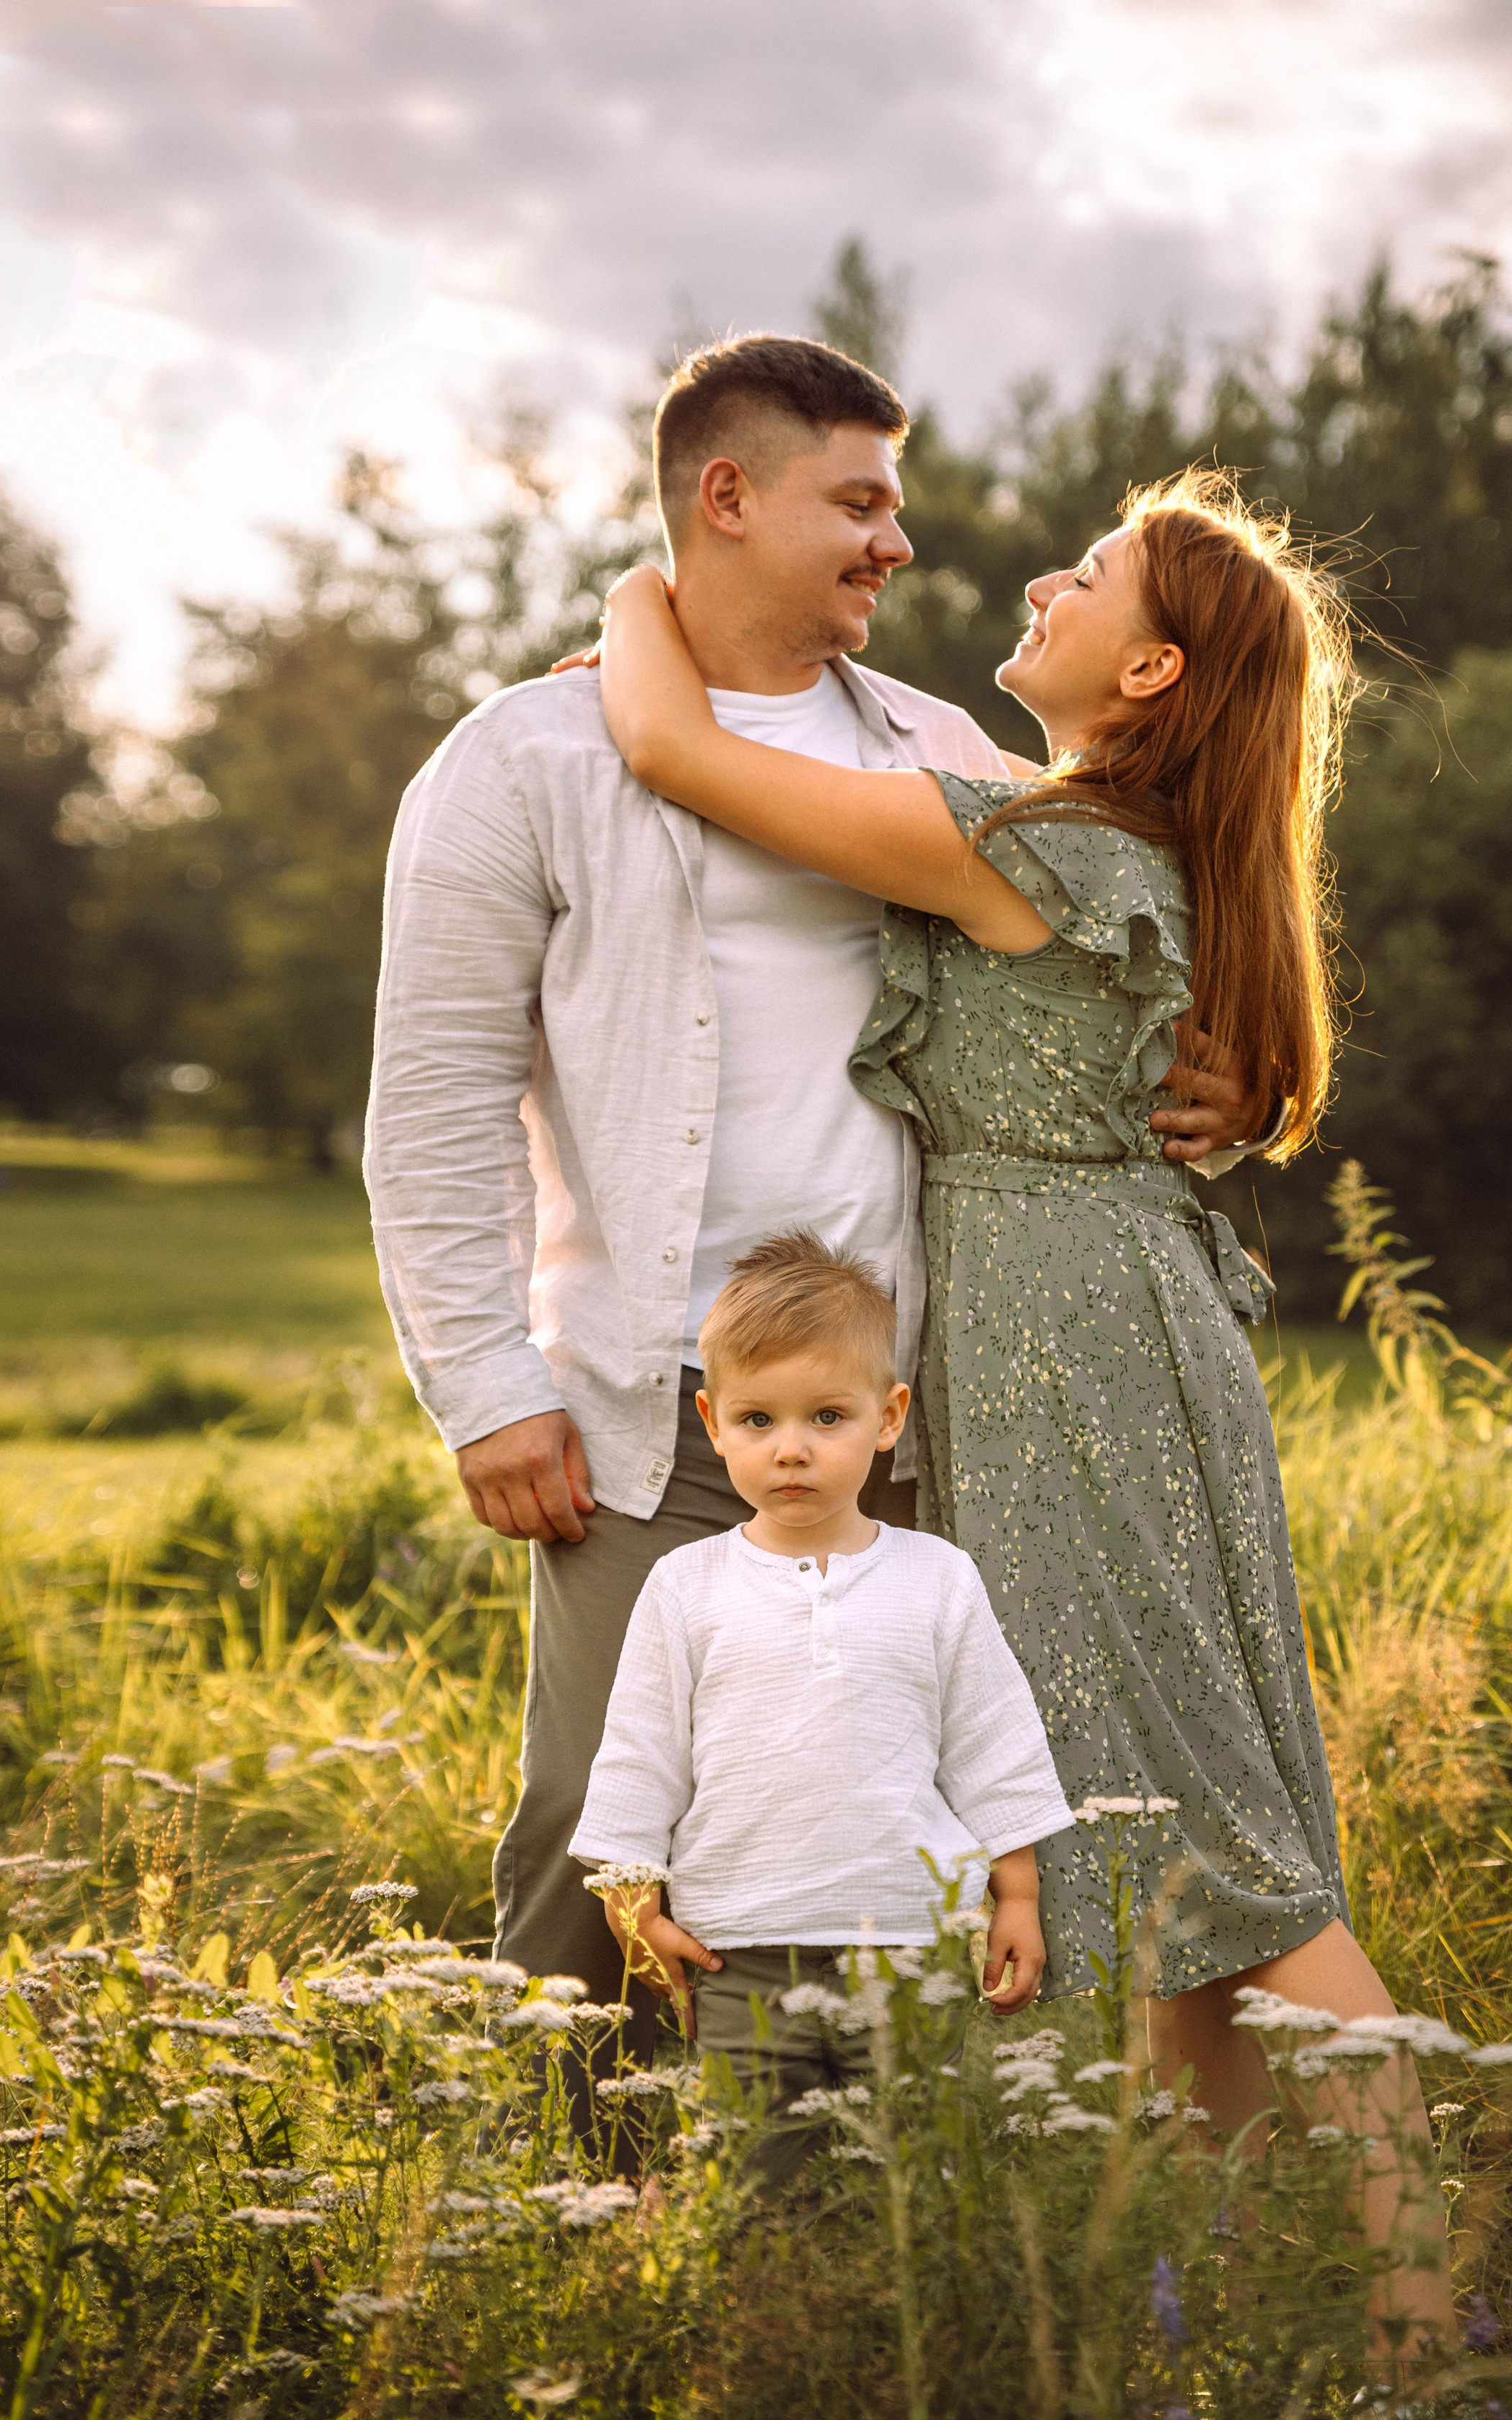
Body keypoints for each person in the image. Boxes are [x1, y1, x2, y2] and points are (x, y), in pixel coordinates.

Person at [593, 466, 1455, 2347]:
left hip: (1077, 1352)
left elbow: (670, 747)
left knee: (1217, 1841)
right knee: (1157, 1837)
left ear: (1148, 674)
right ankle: (1247, 2310)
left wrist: (648, 587)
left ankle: (1423, 2319)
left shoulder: (1022, 847)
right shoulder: (1108, 845)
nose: (1045, 580)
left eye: (1093, 574)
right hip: (1109, 1327)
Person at [363, 334, 1264, 2060]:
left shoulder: (939, 745)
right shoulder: (526, 756)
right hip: (652, 1409)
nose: (894, 543)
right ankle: (578, 2176)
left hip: (927, 1406)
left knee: (904, 1826)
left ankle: (871, 2180)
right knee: (600, 1827)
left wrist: (1218, 1098)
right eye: (856, 503)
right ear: (727, 496)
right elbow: (436, 1097)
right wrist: (483, 1383)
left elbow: (1105, 990)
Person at [572, 1230, 1072, 2189]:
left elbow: (993, 1743)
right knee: (750, 2185)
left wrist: (1017, 1896)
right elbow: (641, 1754)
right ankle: (749, 2286)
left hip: (911, 1948)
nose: (791, 1448)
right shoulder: (688, 1586)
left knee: (917, 2183)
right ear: (713, 1423)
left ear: (889, 1418)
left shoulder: (935, 1578)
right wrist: (632, 1900)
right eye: (758, 1419)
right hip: (740, 1953)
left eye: (828, 1416)